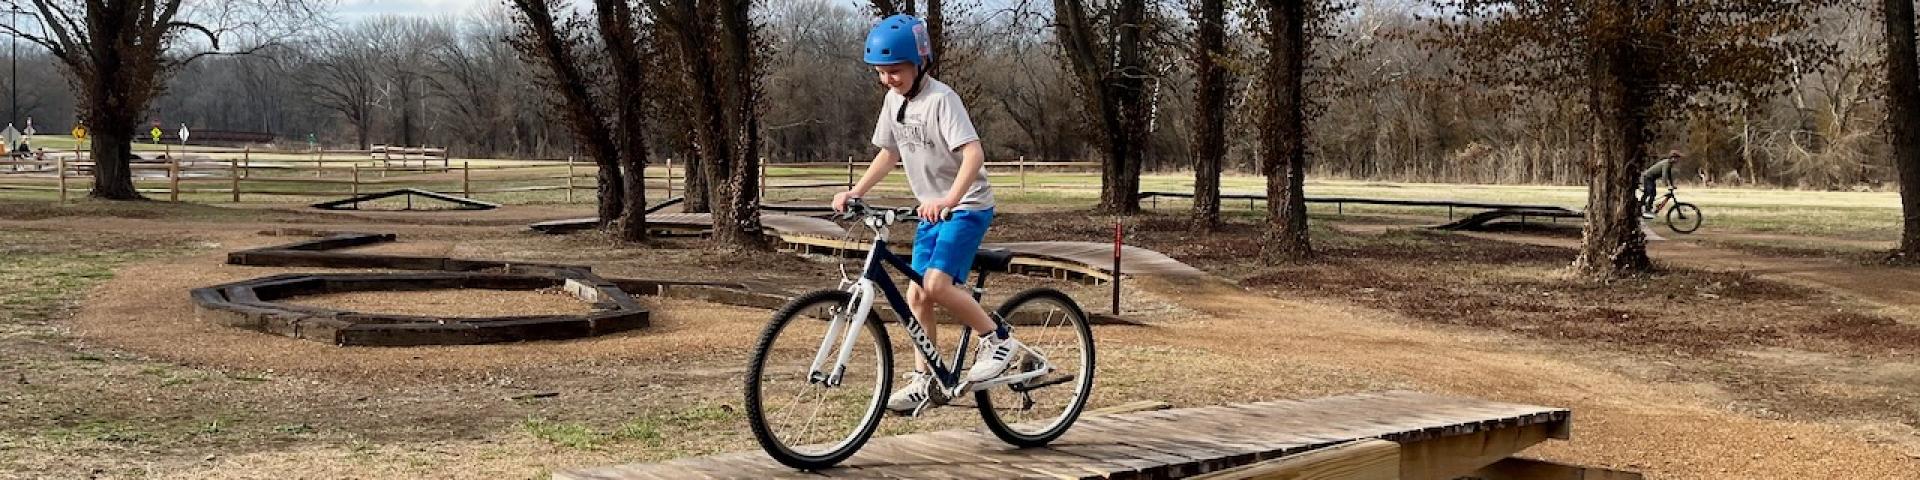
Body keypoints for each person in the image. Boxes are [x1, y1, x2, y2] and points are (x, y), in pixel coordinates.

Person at [831, 14, 1021, 415]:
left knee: (934, 285)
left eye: (895, 71)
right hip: (931, 213)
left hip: (966, 207)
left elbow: (974, 154)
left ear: (920, 63)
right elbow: (889, 152)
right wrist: (856, 192)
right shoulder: (893, 101)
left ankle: (998, 338)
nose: (888, 79)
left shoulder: (941, 100)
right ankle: (925, 379)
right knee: (917, 294)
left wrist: (951, 199)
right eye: (881, 72)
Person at [1642, 150, 1682, 219]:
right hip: (1648, 177)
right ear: (1672, 158)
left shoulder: (1669, 164)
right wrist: (1667, 185)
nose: (1677, 160)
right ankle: (1646, 210)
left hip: (1651, 178)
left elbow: (1669, 176)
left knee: (1652, 193)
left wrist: (1672, 185)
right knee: (1650, 192)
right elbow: (1664, 176)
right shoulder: (1666, 163)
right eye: (1677, 158)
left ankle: (1646, 207)